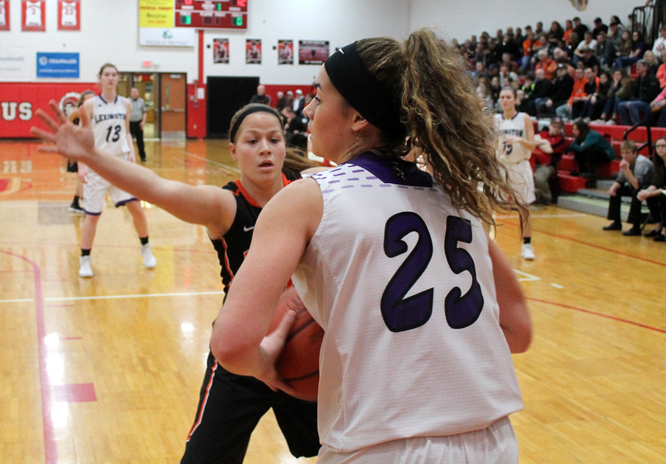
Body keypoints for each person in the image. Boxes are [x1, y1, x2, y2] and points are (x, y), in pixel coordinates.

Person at [210, 32, 531, 464]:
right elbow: (517, 330)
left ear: (359, 116)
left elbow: (232, 344)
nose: (307, 109)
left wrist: (267, 362)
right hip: (493, 442)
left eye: (318, 97)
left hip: (382, 445)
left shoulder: (308, 198)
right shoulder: (456, 199)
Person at [32, 102, 321, 464]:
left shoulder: (312, 193)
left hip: (307, 344)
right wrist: (91, 156)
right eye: (252, 141)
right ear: (233, 151)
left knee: (339, 448)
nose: (265, 148)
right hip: (242, 348)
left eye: (274, 139)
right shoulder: (225, 205)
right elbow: (157, 188)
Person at [77, 63, 156, 276]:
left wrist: (131, 152)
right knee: (92, 216)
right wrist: (81, 166)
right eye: (107, 74)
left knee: (136, 208)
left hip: (120, 165)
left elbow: (127, 132)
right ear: (100, 78)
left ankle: (146, 248)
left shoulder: (125, 104)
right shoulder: (90, 105)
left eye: (114, 75)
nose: (110, 78)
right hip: (97, 166)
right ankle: (85, 259)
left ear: (117, 78)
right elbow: (82, 139)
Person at [497, 86, 538, 259]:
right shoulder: (495, 120)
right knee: (487, 204)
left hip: (520, 166)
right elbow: (490, 144)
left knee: (524, 207)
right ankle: (485, 244)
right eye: (502, 97)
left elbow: (532, 146)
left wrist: (519, 139)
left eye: (508, 97)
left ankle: (527, 245)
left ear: (515, 99)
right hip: (501, 165)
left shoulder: (524, 118)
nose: (505, 100)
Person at [603, 140, 653, 236]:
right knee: (616, 191)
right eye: (622, 153)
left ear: (634, 153)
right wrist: (613, 188)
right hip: (636, 187)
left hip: (649, 188)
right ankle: (616, 222)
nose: (624, 156)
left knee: (636, 193)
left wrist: (626, 170)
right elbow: (620, 180)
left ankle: (636, 227)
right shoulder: (626, 162)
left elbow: (637, 185)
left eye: (627, 153)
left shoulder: (642, 162)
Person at [637, 137, 666, 242]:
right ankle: (658, 225)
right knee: (649, 195)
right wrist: (646, 191)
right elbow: (656, 182)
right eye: (658, 146)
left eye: (663, 146)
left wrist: (650, 193)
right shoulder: (659, 161)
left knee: (663, 198)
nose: (660, 149)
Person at [67, 90, 96, 213]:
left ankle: (76, 202)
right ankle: (84, 202)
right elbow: (66, 127)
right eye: (88, 100)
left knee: (86, 177)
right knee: (82, 176)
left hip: (89, 148)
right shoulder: (77, 112)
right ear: (82, 102)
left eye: (93, 99)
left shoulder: (96, 113)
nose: (91, 102)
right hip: (77, 147)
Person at [533, 118, 569, 205]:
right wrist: (545, 143)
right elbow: (532, 141)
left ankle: (546, 198)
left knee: (539, 178)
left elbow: (549, 150)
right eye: (554, 126)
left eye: (558, 127)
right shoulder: (542, 133)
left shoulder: (561, 140)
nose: (556, 129)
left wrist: (539, 143)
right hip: (534, 162)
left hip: (548, 166)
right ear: (550, 126)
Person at [617, 60, 662, 126]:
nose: (637, 68)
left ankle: (637, 125)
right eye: (636, 66)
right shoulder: (638, 79)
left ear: (645, 68)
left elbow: (651, 96)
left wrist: (636, 100)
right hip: (639, 101)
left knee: (632, 105)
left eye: (639, 66)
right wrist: (633, 99)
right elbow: (633, 93)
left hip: (650, 103)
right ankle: (626, 125)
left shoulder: (652, 79)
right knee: (621, 105)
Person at [647, 63, 666, 127]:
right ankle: (649, 128)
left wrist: (665, 101)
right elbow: (662, 94)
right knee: (651, 107)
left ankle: (663, 129)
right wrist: (655, 100)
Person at [128, 86, 147, 162]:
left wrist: (143, 122)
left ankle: (143, 156)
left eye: (136, 92)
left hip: (138, 124)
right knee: (128, 141)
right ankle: (129, 156)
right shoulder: (127, 101)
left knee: (140, 141)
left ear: (138, 93)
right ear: (131, 93)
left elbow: (144, 112)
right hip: (130, 123)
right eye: (133, 92)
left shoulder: (141, 101)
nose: (134, 94)